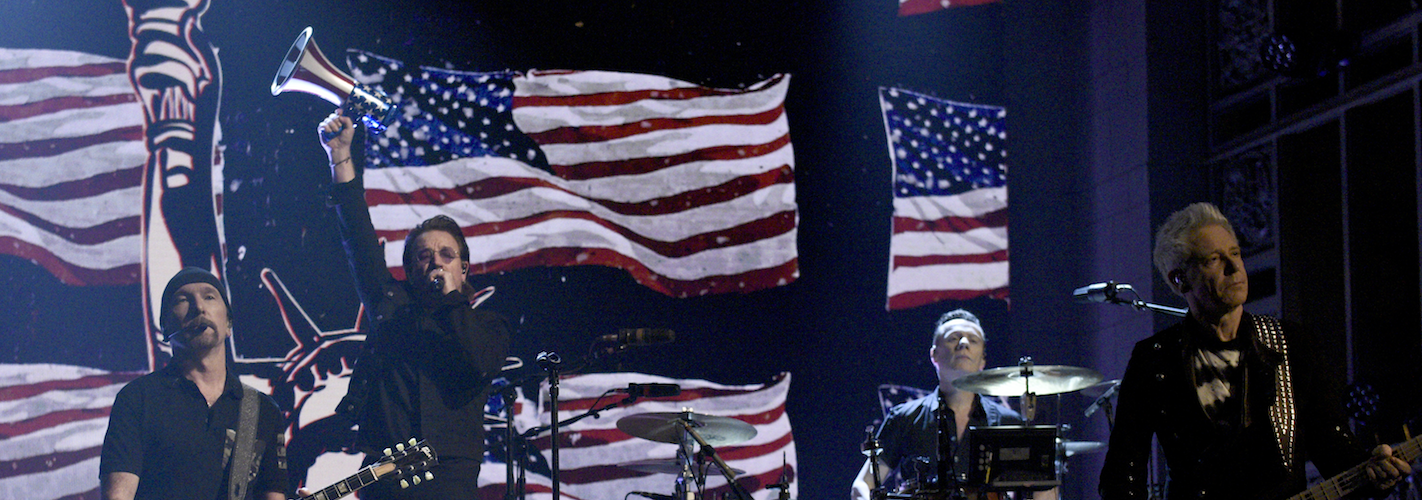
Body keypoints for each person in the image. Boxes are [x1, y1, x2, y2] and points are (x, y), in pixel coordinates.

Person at [1099, 202, 1411, 499]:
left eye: (1236, 253)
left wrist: (1376, 474)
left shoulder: (1292, 343)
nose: (1235, 267)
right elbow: (1122, 472)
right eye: (1214, 259)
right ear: (1179, 280)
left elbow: (1333, 448)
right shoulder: (1155, 358)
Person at [319, 112, 511, 499]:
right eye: (424, 256)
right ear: (410, 268)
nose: (436, 262)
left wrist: (454, 300)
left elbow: (478, 361)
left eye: (446, 254)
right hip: (384, 474)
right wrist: (341, 156)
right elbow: (357, 237)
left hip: (450, 478)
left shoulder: (489, 325)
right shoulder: (390, 306)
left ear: (464, 266)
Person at [100, 267, 289, 500]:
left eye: (209, 297)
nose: (199, 307)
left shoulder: (263, 411)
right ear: (166, 329)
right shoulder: (138, 399)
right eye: (183, 300)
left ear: (229, 324)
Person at [851, 309, 1038, 500]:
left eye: (973, 340)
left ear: (983, 360)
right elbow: (863, 484)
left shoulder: (1009, 422)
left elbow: (1041, 485)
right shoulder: (904, 418)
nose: (963, 343)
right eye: (953, 338)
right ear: (934, 355)